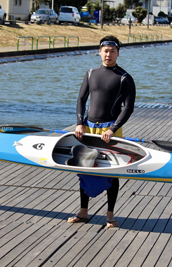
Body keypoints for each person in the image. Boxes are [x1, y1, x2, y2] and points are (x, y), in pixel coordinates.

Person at [67, 35, 136, 228]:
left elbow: (128, 108)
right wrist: (79, 123)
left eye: (112, 51)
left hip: (110, 131)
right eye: (105, 51)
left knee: (112, 172)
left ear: (118, 53)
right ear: (99, 52)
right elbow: (81, 100)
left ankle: (110, 215)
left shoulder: (124, 78)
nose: (108, 54)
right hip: (88, 128)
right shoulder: (91, 73)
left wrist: (113, 129)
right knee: (84, 168)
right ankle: (83, 211)